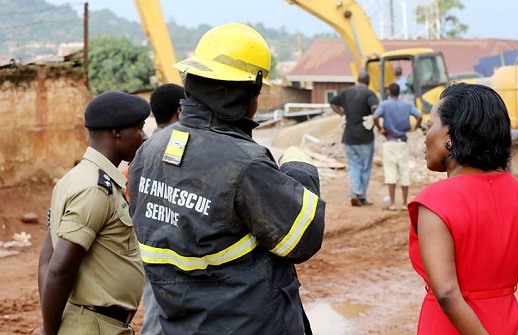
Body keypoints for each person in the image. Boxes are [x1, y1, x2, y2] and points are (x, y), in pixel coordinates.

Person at [127, 23, 325, 335]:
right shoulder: (245, 162)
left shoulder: (149, 150)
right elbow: (301, 239)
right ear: (247, 92)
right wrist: (300, 170)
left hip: (180, 325)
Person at [408, 83, 518, 334]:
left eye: (429, 127)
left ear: (450, 134)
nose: (426, 137)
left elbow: (447, 293)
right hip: (508, 325)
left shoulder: (435, 201)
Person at [37, 91, 150, 335]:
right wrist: (48, 329)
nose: (145, 137)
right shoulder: (94, 189)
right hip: (93, 326)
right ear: (117, 133)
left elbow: (47, 256)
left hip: (95, 322)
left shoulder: (76, 178)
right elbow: (59, 267)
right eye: (140, 129)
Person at [138, 83, 185, 335]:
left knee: (156, 311)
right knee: (159, 320)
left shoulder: (145, 147)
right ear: (180, 111)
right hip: (170, 246)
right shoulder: (179, 146)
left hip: (148, 243)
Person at [330, 70, 379, 206]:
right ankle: (361, 195)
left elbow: (333, 102)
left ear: (358, 79)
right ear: (368, 82)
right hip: (365, 137)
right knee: (365, 167)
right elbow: (375, 108)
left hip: (348, 137)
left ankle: (354, 193)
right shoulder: (369, 94)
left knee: (353, 166)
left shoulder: (347, 92)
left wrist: (343, 114)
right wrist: (375, 120)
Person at [373, 82, 422, 211]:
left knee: (390, 173)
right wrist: (414, 128)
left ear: (389, 92)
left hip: (390, 142)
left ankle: (393, 203)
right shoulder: (407, 104)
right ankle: (405, 203)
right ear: (399, 92)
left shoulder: (384, 104)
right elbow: (419, 116)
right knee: (404, 171)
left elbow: (375, 116)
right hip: (403, 143)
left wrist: (380, 129)